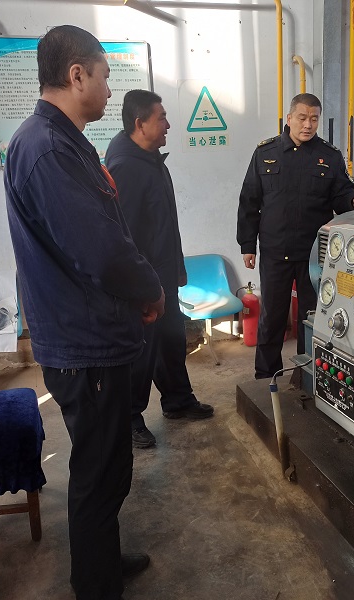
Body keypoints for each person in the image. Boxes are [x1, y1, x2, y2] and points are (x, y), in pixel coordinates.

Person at [3, 25, 163, 600]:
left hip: (87, 334)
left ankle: (101, 561)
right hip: (83, 342)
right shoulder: (48, 149)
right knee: (98, 473)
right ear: (77, 76)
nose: (108, 89)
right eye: (104, 76)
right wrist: (150, 288)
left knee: (108, 464)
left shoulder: (60, 141)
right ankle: (96, 586)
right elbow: (101, 250)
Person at [237, 93, 354, 380]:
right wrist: (247, 245)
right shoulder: (265, 153)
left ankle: (308, 376)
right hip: (275, 250)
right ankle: (266, 376)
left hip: (314, 253)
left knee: (312, 317)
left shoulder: (329, 156)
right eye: (302, 118)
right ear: (289, 119)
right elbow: (249, 201)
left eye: (314, 119)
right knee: (272, 317)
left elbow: (341, 194)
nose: (308, 125)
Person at [105, 90, 214, 449]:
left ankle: (178, 400)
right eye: (162, 118)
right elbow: (126, 237)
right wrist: (143, 289)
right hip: (144, 282)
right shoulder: (126, 167)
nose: (168, 124)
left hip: (164, 274)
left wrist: (177, 270)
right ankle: (131, 417)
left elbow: (165, 224)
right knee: (141, 353)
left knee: (171, 341)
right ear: (140, 124)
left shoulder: (151, 159)